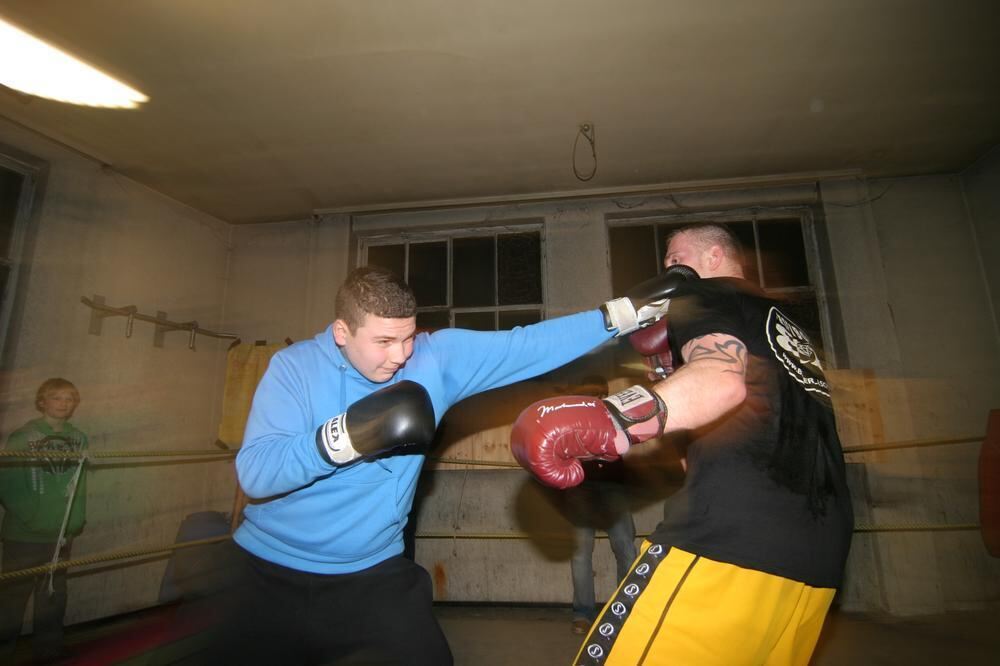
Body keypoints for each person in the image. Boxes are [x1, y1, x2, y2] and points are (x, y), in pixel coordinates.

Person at [220, 265, 682, 666]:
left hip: (373, 572)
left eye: (406, 336)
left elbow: (525, 346)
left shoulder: (433, 359)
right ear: (342, 332)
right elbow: (257, 474)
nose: (400, 355)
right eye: (383, 341)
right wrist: (345, 437)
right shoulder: (294, 368)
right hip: (269, 572)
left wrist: (621, 314)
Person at [512, 223, 854, 666]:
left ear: (714, 256)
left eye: (676, 259)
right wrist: (672, 382)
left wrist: (612, 419)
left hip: (730, 539)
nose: (670, 271)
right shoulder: (788, 326)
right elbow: (733, 429)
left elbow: (721, 380)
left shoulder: (704, 296)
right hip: (819, 555)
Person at [0, 378, 88, 664]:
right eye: (56, 398)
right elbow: (8, 484)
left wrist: (75, 521)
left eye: (69, 399)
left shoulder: (79, 438)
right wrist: (34, 518)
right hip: (24, 535)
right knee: (13, 596)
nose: (63, 404)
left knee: (54, 594)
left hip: (61, 534)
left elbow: (80, 485)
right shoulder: (22, 437)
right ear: (42, 402)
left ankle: (49, 649)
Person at [559, 377, 636, 636]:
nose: (594, 398)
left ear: (604, 394)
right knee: (581, 553)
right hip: (580, 490)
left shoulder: (614, 414)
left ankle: (625, 611)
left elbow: (630, 441)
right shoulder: (567, 420)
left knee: (625, 547)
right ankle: (583, 614)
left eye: (597, 393)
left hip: (614, 488)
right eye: (588, 393)